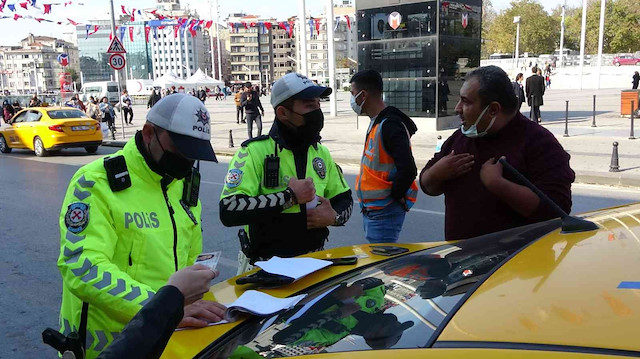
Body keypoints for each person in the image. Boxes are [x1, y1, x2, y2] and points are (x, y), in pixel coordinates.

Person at [56, 93, 224, 359]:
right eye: (180, 149)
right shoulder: (96, 182)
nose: (186, 160)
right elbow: (81, 267)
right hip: (110, 347)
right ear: (148, 133)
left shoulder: (181, 186)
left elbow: (188, 258)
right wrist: (166, 306)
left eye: (193, 153)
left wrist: (194, 297)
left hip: (171, 336)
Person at [419, 65, 575, 241]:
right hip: (460, 262)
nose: (457, 108)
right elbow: (427, 185)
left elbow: (556, 210)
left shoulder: (539, 142)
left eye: (466, 101)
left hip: (517, 264)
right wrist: (436, 173)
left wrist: (498, 184)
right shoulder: (462, 137)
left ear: (493, 109)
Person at [220, 73, 353, 273]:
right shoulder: (253, 152)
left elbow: (345, 198)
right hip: (264, 270)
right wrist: (289, 197)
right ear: (283, 112)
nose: (317, 111)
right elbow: (228, 210)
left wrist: (334, 217)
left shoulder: (320, 152)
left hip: (314, 263)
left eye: (318, 104)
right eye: (309, 105)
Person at [349, 70, 418, 244]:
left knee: (382, 264)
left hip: (384, 211)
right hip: (374, 210)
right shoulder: (377, 122)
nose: (351, 99)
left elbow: (408, 169)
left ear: (363, 95)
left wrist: (394, 195)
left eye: (352, 94)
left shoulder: (390, 125)